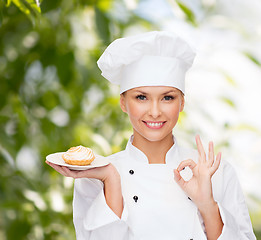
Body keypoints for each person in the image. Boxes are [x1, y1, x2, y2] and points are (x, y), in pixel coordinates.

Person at [46, 31, 256, 240]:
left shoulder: (217, 174)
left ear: (182, 102)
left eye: (167, 97)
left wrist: (207, 205)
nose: (155, 111)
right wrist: (111, 179)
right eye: (141, 97)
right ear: (123, 102)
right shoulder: (95, 178)